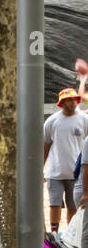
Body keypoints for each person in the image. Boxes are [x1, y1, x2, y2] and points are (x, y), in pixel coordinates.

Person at [44, 87, 87, 230]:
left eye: (74, 99)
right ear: (62, 103)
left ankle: (70, 233)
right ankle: (54, 233)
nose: (73, 102)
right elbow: (46, 145)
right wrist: (41, 168)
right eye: (69, 100)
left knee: (72, 205)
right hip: (55, 171)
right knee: (54, 204)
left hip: (76, 172)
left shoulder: (84, 119)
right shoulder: (52, 121)